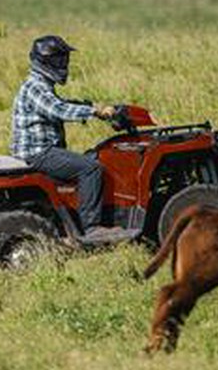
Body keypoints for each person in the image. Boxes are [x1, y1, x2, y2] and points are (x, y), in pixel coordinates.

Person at [10, 34, 133, 243]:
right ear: (45, 61)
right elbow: (58, 109)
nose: (63, 64)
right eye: (59, 60)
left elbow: (60, 102)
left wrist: (94, 105)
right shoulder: (35, 87)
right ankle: (92, 228)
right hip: (39, 154)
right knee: (90, 168)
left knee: (93, 158)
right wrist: (94, 112)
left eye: (64, 60)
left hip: (42, 151)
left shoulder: (41, 84)